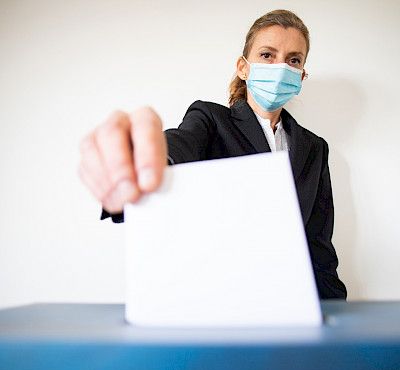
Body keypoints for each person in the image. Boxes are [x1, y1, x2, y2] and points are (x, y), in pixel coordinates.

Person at [79, 9, 347, 299]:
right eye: (267, 55)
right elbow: (180, 144)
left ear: (302, 75)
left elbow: (318, 245)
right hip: (218, 295)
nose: (281, 67)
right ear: (243, 67)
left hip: (289, 298)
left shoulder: (315, 148)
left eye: (293, 60)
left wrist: (336, 313)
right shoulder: (210, 119)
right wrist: (142, 162)